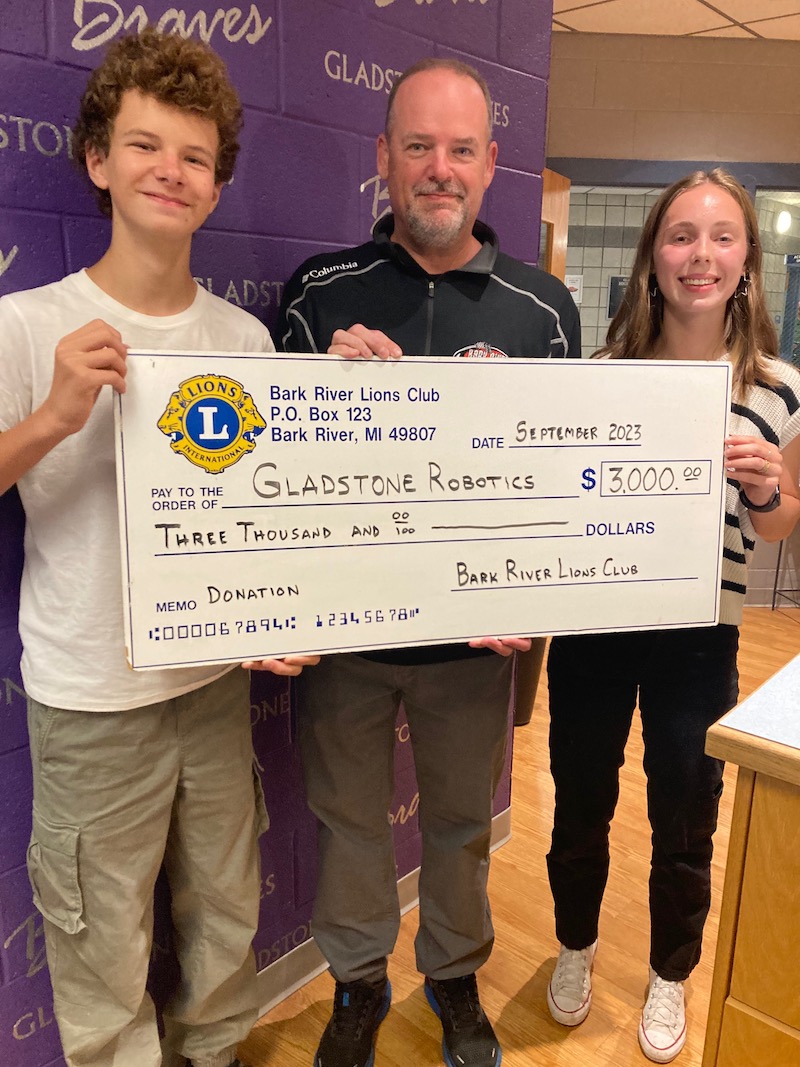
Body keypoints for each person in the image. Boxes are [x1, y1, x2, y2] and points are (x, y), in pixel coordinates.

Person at [0, 29, 317, 1067]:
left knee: (227, 913)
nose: (168, 171)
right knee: (100, 943)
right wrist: (52, 413)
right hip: (91, 698)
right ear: (97, 160)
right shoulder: (26, 324)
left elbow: (262, 521)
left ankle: (216, 1050)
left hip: (214, 685)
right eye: (144, 146)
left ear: (216, 186)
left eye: (191, 155)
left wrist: (285, 615)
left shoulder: (245, 343)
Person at [276, 57, 580, 1067]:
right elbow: (263, 471)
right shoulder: (318, 293)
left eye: (459, 150)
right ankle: (358, 984)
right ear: (384, 160)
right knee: (348, 823)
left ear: (491, 166)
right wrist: (325, 391)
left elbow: (555, 484)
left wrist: (535, 598)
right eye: (417, 147)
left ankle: (453, 979)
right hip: (346, 643)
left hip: (471, 646)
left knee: (458, 823)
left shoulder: (541, 314)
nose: (437, 169)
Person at [544, 169, 800, 1063]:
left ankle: (670, 970)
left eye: (721, 236)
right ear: (654, 257)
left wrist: (770, 485)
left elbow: (780, 523)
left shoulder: (781, 387)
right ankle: (575, 945)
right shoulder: (603, 376)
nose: (701, 255)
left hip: (703, 634)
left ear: (747, 260)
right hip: (594, 626)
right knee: (579, 798)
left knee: (687, 813)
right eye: (681, 236)